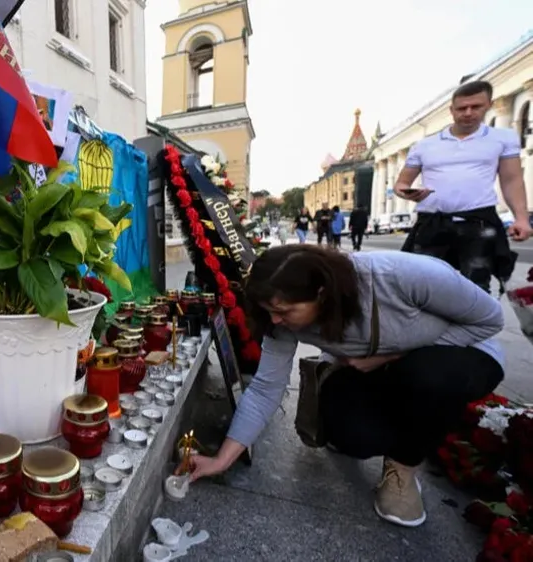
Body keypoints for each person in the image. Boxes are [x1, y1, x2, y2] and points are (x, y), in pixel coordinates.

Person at [187, 246, 504, 528]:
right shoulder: (278, 319)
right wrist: (221, 460)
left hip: (460, 355)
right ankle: (403, 421)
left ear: (322, 293)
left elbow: (490, 320)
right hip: (370, 368)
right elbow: (265, 388)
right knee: (351, 435)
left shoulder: (401, 275)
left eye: (284, 311)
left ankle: (403, 468)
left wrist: (389, 357)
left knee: (428, 376)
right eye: (270, 312)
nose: (277, 320)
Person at [394, 80, 530, 293]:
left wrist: (521, 218)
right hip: (432, 223)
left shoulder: (502, 138)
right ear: (452, 110)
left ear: (488, 105)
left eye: (475, 107)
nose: (468, 113)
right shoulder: (425, 145)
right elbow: (401, 183)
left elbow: (511, 179)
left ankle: (473, 325)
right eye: (461, 108)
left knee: (476, 287)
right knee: (418, 285)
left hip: (478, 223)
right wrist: (408, 193)